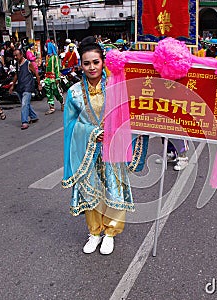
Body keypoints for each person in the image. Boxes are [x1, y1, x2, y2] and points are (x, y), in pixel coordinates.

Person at [61, 36, 148, 255]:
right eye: (87, 63)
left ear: (103, 62)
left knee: (114, 190)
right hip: (87, 151)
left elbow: (131, 112)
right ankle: (94, 233)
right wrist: (91, 133)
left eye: (96, 62)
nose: (92, 67)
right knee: (90, 193)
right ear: (80, 64)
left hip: (113, 149)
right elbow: (70, 125)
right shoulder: (74, 93)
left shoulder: (116, 85)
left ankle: (110, 233)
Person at [9, 49, 42, 130]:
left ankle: (24, 122)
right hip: (20, 87)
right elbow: (17, 75)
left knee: (24, 104)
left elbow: (36, 74)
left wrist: (39, 84)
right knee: (26, 104)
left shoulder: (28, 63)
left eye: (17, 55)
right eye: (14, 56)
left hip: (28, 87)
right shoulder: (17, 64)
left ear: (21, 55)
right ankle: (33, 116)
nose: (15, 57)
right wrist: (12, 85)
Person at [44, 41, 64, 114]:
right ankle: (51, 107)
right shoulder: (47, 57)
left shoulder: (55, 57)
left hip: (54, 78)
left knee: (57, 92)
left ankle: (62, 103)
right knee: (48, 93)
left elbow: (57, 67)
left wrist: (57, 78)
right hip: (47, 78)